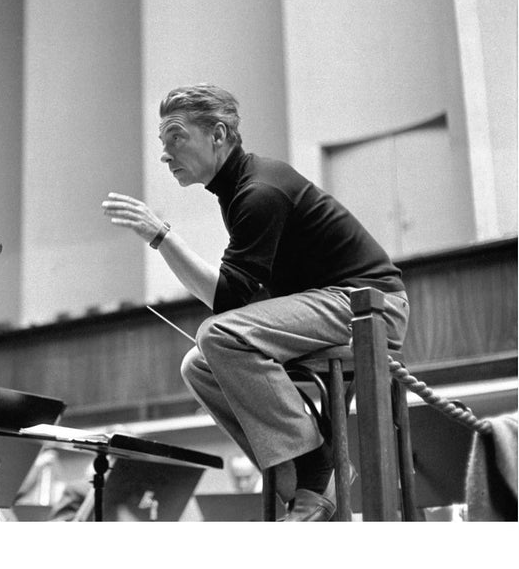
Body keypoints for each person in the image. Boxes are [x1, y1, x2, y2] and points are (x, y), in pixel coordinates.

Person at [103, 84, 409, 522]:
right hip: (328, 305)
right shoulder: (238, 192)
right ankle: (302, 491)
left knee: (217, 334)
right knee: (198, 365)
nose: (165, 154)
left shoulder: (259, 191)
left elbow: (227, 303)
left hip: (369, 306)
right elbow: (237, 297)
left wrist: (162, 237)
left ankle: (317, 473)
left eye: (175, 137)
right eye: (163, 143)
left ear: (218, 134)